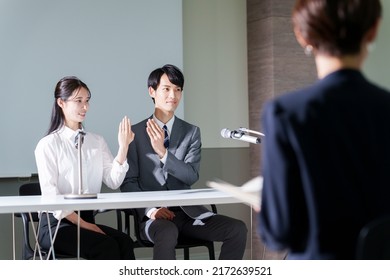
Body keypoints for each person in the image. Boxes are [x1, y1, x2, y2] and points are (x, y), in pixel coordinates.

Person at [258, 0, 389, 259]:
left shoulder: (285, 113)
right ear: (373, 30)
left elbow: (279, 233)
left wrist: (263, 206)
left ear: (302, 35)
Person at [120, 64, 247, 260]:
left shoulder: (191, 132)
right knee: (167, 231)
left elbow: (191, 175)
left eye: (178, 89)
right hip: (153, 220)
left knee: (237, 229)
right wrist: (152, 210)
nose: (173, 95)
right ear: (152, 91)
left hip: (190, 215)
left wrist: (163, 153)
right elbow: (128, 183)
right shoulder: (135, 133)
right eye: (167, 89)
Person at [34, 76, 136, 260]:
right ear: (61, 103)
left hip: (85, 219)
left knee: (124, 242)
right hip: (56, 225)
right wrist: (87, 226)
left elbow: (113, 181)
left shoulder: (96, 141)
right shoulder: (48, 144)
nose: (85, 107)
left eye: (87, 101)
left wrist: (123, 148)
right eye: (79, 101)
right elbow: (52, 197)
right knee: (106, 246)